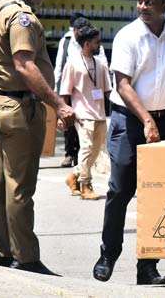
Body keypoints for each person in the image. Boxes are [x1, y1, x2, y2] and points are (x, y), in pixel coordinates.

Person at [92, 0, 165, 285]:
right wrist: (146, 121)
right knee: (119, 190)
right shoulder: (129, 36)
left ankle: (148, 265)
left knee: (159, 193)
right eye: (139, 1)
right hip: (129, 121)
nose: (141, 7)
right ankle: (108, 254)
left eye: (148, 2)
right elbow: (122, 84)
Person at [0, 0, 74, 275]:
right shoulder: (21, 17)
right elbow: (24, 64)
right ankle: (26, 256)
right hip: (16, 107)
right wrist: (58, 104)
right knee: (19, 185)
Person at [60, 25, 111, 200]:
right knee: (87, 148)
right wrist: (64, 114)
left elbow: (107, 91)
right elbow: (65, 92)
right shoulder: (73, 63)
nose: (100, 45)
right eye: (97, 42)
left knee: (95, 151)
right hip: (82, 114)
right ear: (87, 43)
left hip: (100, 113)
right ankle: (85, 185)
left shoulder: (101, 64)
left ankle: (73, 175)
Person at [54, 12, 86, 168]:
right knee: (67, 120)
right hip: (67, 86)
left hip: (83, 87)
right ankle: (68, 154)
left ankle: (80, 153)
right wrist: (56, 89)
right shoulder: (65, 41)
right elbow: (59, 65)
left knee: (81, 119)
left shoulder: (87, 38)